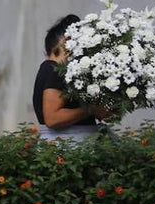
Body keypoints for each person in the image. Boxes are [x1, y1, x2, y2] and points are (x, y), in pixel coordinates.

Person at [32, 14, 110, 142]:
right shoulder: (54, 70)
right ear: (68, 40)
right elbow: (53, 118)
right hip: (69, 148)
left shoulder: (61, 72)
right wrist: (90, 109)